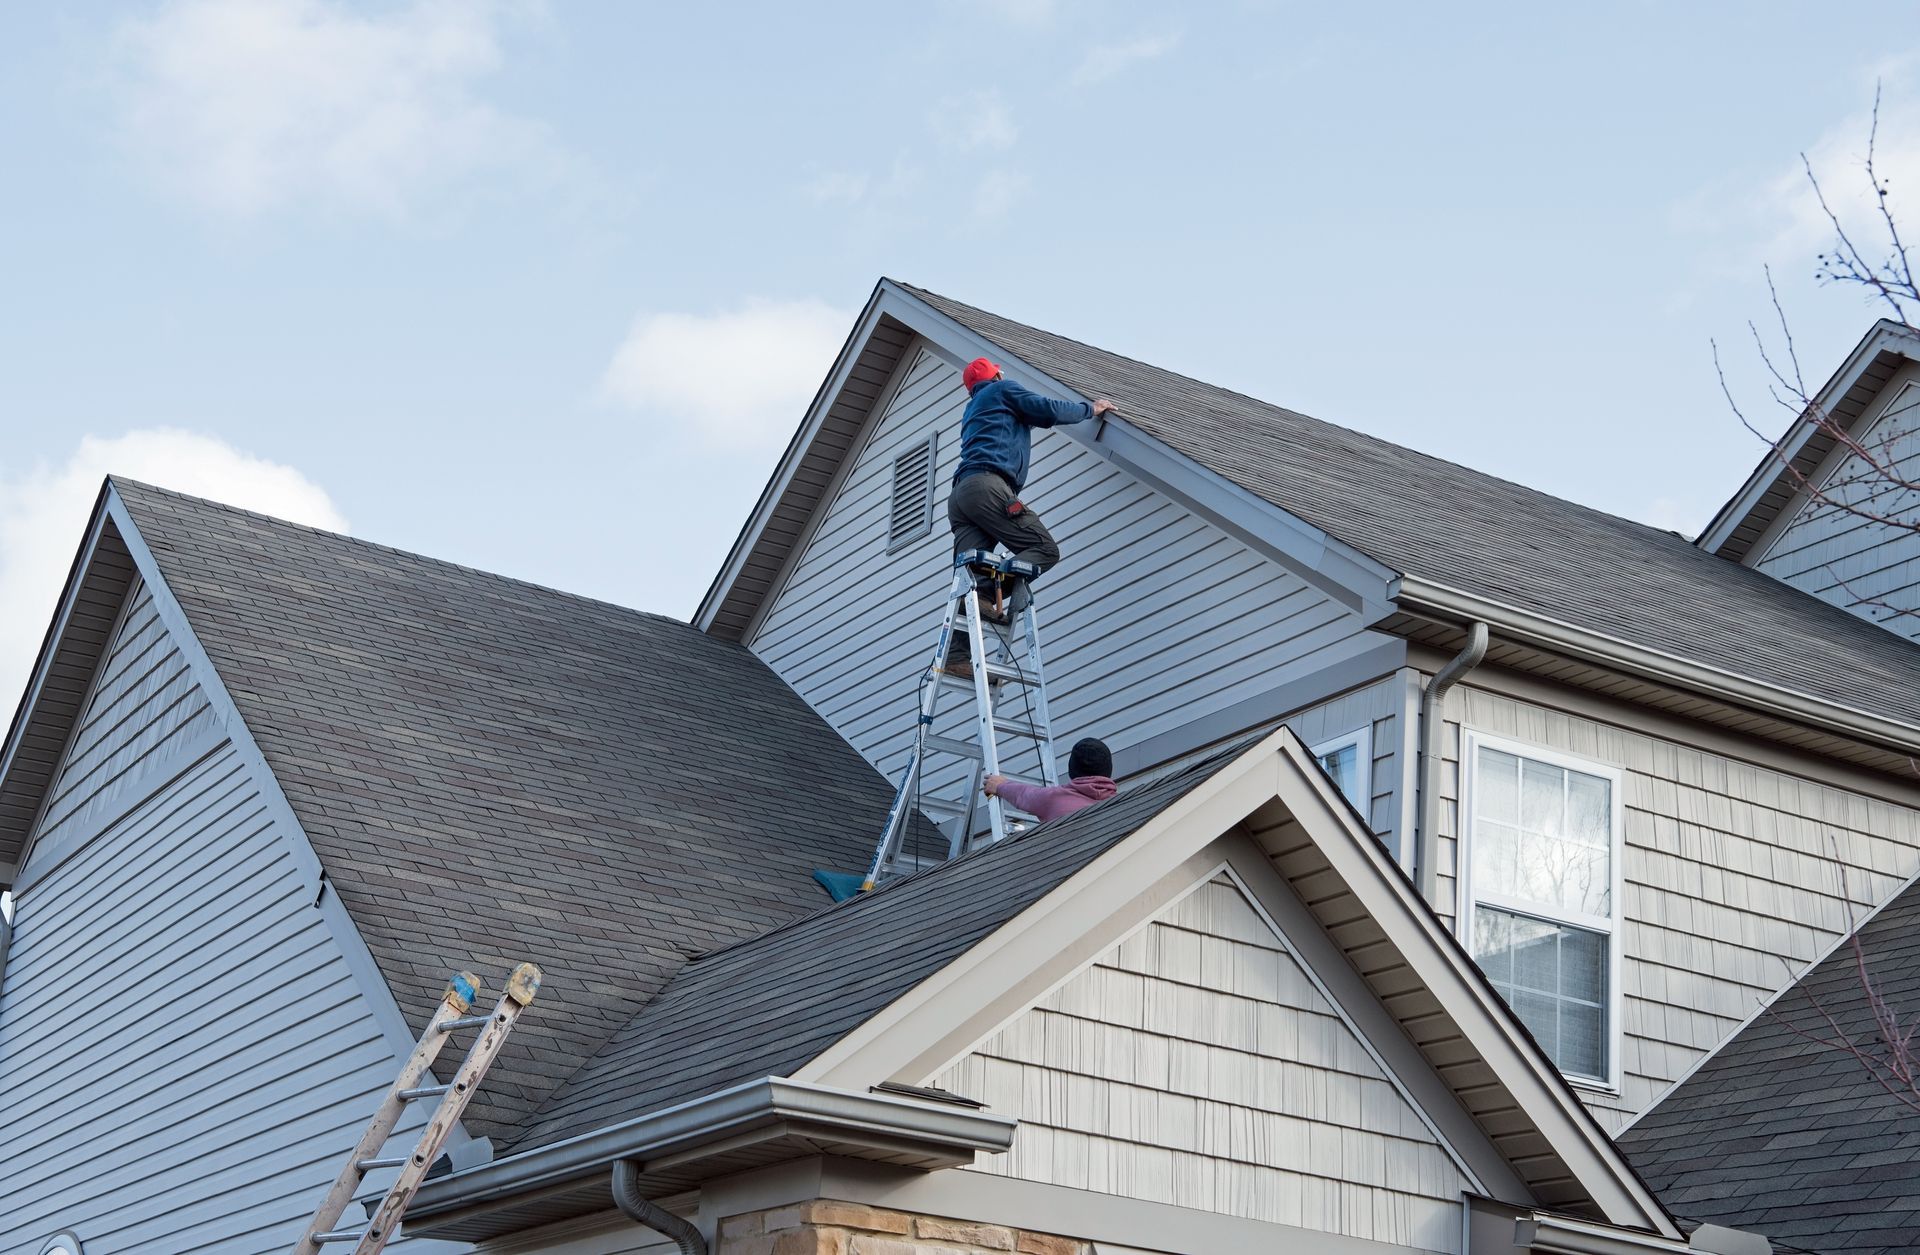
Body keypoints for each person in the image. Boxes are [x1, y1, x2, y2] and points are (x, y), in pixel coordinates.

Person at [944, 357, 1114, 678]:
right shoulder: (1003, 390)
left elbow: (1022, 420)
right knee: (1045, 550)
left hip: (961, 495)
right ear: (997, 376)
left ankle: (956, 655)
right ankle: (990, 594)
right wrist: (1089, 409)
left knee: (970, 578)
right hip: (989, 487)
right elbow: (1046, 409)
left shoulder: (974, 409)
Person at [983, 737, 1117, 823]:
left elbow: (1024, 795)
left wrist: (1000, 786)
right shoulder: (1120, 803)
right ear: (1108, 769)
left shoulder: (1055, 799)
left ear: (1072, 769)